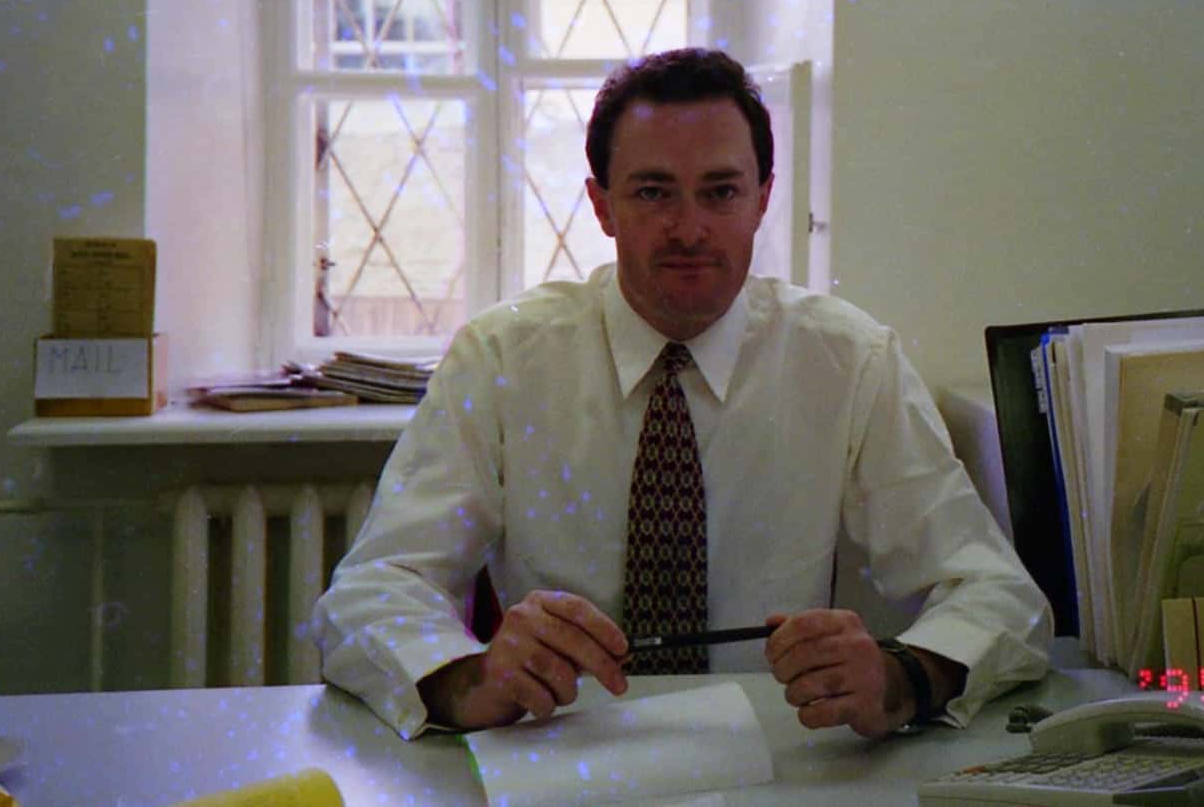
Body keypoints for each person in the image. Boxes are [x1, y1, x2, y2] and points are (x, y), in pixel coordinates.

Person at [311, 48, 1052, 740]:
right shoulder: (501, 358)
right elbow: (371, 590)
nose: (690, 229)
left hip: (778, 757)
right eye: (653, 192)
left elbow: (1001, 597)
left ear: (763, 199)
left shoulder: (849, 361)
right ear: (602, 205)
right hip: (563, 755)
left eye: (721, 192)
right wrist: (467, 679)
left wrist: (902, 679)